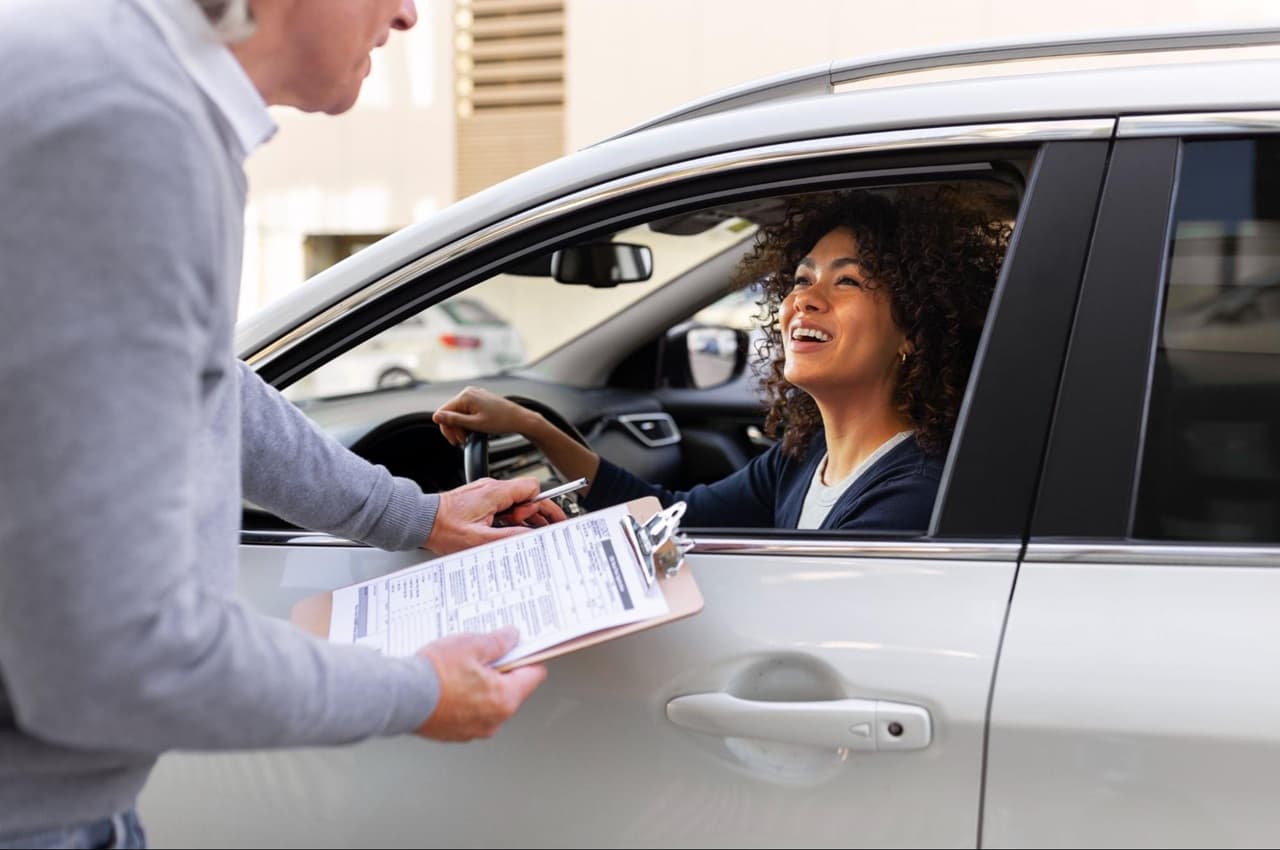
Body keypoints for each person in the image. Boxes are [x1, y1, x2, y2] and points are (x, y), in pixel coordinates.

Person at [0, 1, 557, 847]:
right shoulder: (125, 128)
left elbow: (208, 383)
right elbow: (115, 657)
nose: (409, 16)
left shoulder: (118, 86)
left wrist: (413, 515)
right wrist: (419, 693)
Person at [434, 187, 1010, 532]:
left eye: (849, 281)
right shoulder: (804, 458)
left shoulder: (910, 493)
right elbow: (671, 515)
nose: (804, 298)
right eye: (802, 278)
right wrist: (532, 427)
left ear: (914, 329)